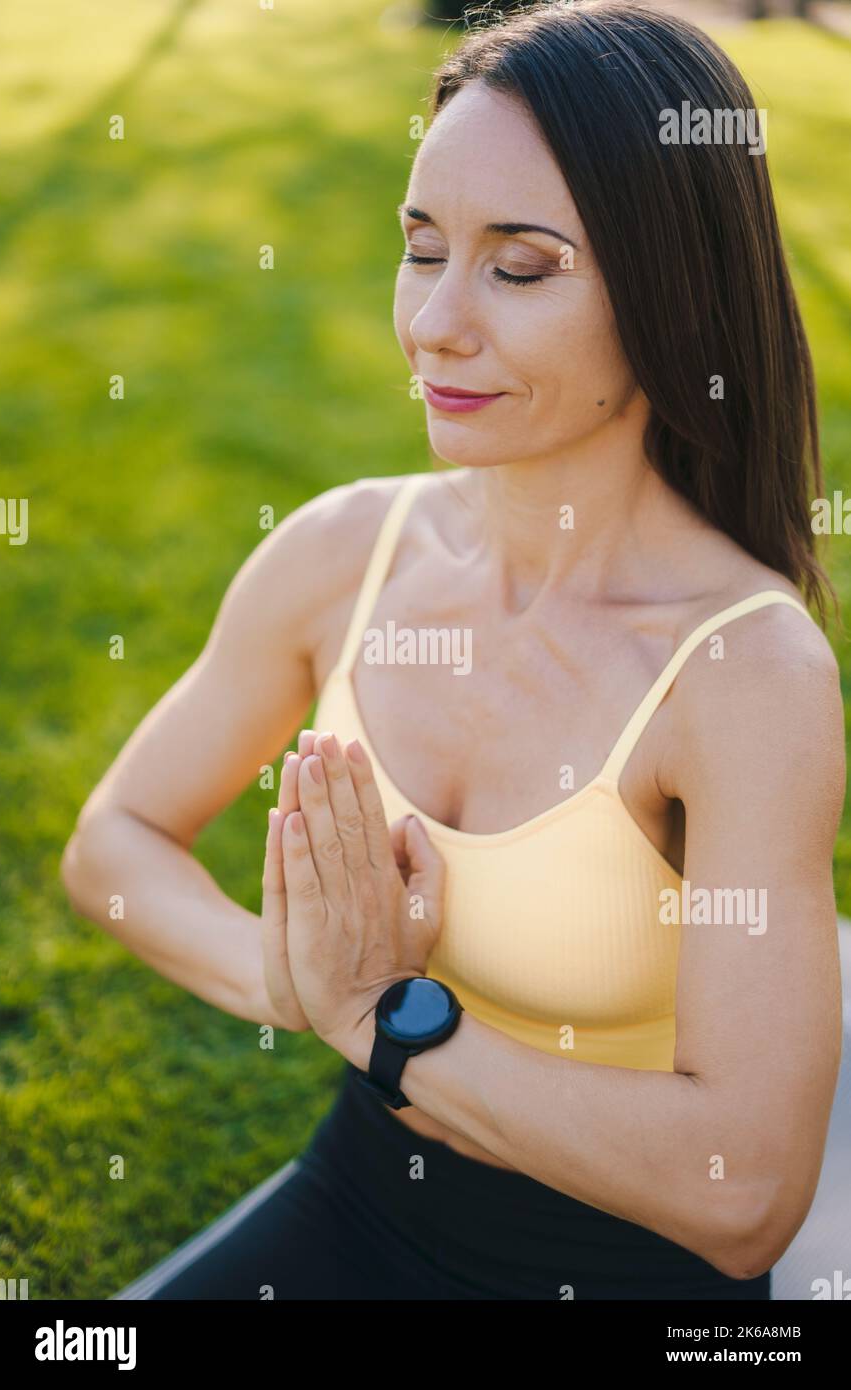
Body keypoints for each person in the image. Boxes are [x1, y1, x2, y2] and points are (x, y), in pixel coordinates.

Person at [63, 0, 845, 1300]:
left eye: (518, 267)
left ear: (670, 287)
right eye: (420, 249)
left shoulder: (742, 672)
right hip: (361, 1193)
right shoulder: (342, 552)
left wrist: (381, 1017)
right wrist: (287, 979)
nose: (432, 323)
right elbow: (117, 839)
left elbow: (746, 1191)